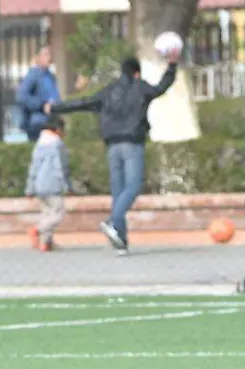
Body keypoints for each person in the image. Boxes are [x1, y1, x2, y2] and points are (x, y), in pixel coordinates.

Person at [48, 50, 179, 255]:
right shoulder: (141, 87)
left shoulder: (108, 91)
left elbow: (83, 102)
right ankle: (113, 221)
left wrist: (56, 108)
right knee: (133, 186)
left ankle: (121, 242)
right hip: (132, 143)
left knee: (119, 194)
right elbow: (161, 87)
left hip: (112, 146)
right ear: (136, 73)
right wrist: (172, 66)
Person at [24, 116, 70, 252]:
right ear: (57, 130)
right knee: (58, 212)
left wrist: (30, 187)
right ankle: (37, 229)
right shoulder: (57, 144)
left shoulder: (39, 144)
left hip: (39, 184)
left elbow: (33, 167)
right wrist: (66, 185)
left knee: (47, 213)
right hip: (52, 183)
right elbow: (60, 166)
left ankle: (46, 243)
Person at [17, 46, 61, 142]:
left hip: (52, 123)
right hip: (38, 124)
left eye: (50, 54)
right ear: (38, 57)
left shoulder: (50, 76)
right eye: (45, 54)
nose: (49, 57)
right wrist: (42, 105)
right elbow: (22, 97)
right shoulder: (33, 75)